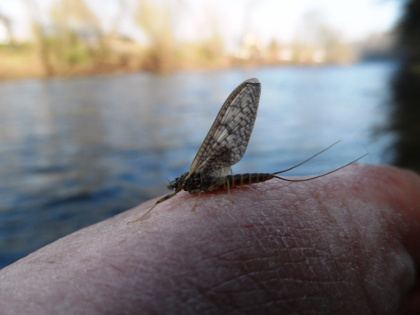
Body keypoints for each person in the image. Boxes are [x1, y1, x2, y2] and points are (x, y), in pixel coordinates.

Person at [0, 164, 419, 314]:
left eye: (178, 185)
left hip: (241, 181)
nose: (176, 188)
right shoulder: (191, 189)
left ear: (185, 185)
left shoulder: (197, 185)